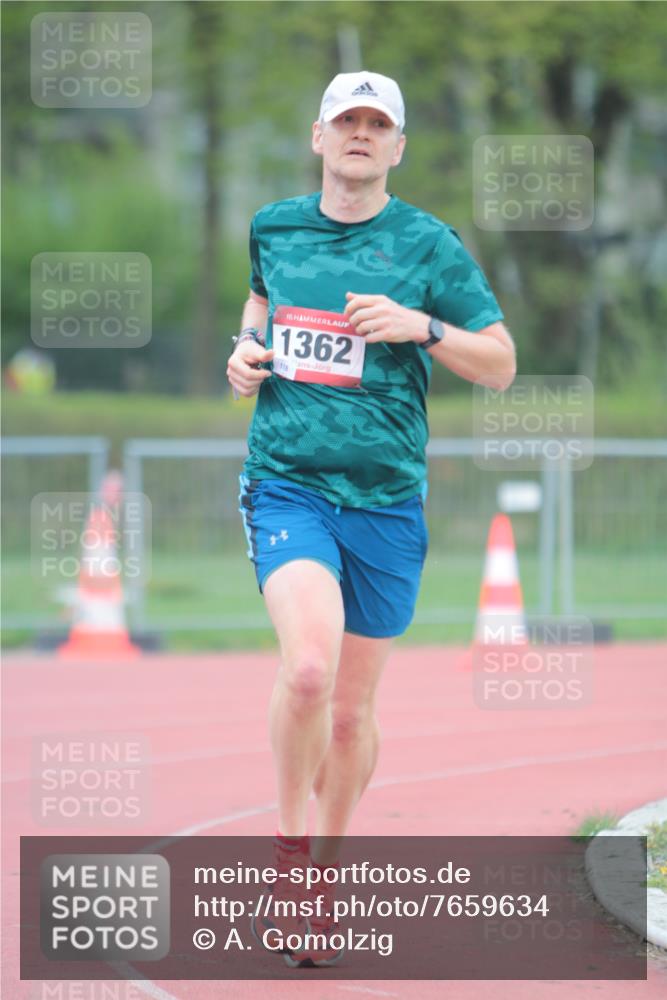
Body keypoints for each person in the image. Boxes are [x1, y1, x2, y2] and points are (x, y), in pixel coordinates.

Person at [227, 70, 516, 968]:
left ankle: (330, 864)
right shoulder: (273, 225)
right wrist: (244, 350)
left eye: (375, 124)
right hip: (289, 485)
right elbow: (262, 304)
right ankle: (288, 867)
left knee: (350, 716)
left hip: (386, 502)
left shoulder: (428, 245)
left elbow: (500, 364)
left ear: (396, 147)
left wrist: (420, 326)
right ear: (318, 136)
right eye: (345, 120)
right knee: (307, 671)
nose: (358, 134)